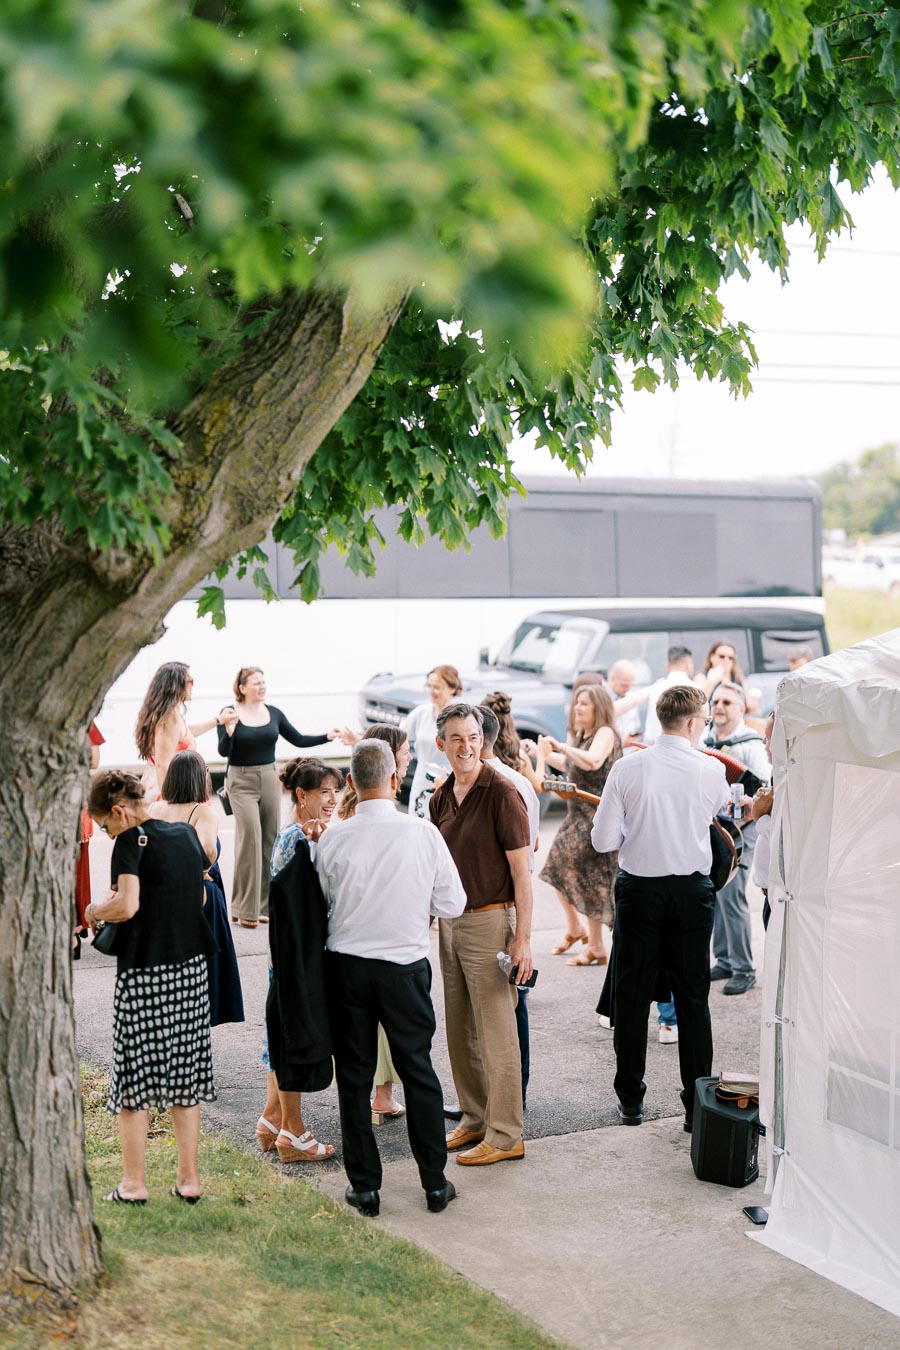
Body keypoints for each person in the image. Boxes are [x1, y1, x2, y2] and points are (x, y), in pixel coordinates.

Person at [317, 739, 467, 1216]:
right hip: (404, 968)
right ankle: (434, 1183)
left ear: (351, 785)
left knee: (355, 1079)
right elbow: (453, 904)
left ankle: (365, 1187)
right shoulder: (422, 835)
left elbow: (321, 905)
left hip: (349, 968)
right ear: (394, 779)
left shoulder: (334, 838)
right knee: (418, 1072)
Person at [591, 685, 729, 1131]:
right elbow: (717, 818)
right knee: (693, 999)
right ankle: (696, 1106)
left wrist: (638, 827)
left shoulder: (628, 768)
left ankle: (630, 1100)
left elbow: (603, 841)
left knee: (631, 997)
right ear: (691, 723)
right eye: (705, 722)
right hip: (692, 894)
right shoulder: (711, 771)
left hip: (640, 892)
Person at [85, 770, 219, 1203]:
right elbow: (199, 896)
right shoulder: (184, 835)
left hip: (144, 973)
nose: (107, 833)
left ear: (120, 812)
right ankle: (188, 1180)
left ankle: (133, 1184)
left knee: (134, 1081)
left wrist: (93, 909)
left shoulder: (129, 843)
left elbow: (127, 904)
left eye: (105, 825)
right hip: (191, 971)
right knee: (185, 1077)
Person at [430, 702, 532, 1166]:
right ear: (442, 744)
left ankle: (507, 1134)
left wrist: (523, 940)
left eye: (472, 737)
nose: (466, 746)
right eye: (456, 738)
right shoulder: (441, 797)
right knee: (460, 1030)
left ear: (481, 739)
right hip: (450, 924)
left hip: (491, 921)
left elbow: (523, 874)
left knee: (496, 1033)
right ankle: (474, 1118)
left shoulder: (502, 792)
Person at [258, 757, 342, 1163]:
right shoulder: (299, 838)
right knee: (291, 1038)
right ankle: (293, 1131)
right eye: (322, 791)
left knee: (279, 1036)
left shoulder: (293, 833)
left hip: (285, 956)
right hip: (297, 958)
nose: (331, 799)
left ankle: (272, 1119)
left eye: (334, 791)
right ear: (301, 794)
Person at [217, 665, 342, 927]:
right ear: (241, 688)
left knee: (270, 840)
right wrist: (228, 732)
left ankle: (265, 906)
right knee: (249, 838)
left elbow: (297, 738)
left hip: (268, 778)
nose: (262, 686)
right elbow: (223, 751)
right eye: (256, 683)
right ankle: (244, 909)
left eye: (264, 682)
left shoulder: (273, 713)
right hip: (241, 780)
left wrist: (326, 737)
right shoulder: (230, 713)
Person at [336, 722, 411, 1122]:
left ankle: (376, 1095)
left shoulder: (352, 807)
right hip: (383, 942)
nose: (410, 756)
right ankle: (381, 1095)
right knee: (384, 1026)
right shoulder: (381, 817)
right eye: (405, 751)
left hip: (355, 945)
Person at [152, 751, 244, 1028]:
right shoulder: (202, 811)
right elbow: (207, 850)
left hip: (162, 894)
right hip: (198, 895)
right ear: (199, 778)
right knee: (203, 973)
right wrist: (197, 867)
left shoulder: (156, 808)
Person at [478, 703, 539, 1108]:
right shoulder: (519, 781)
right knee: (496, 1007)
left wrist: (524, 935)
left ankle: (512, 1093)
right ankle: (495, 1094)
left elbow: (523, 857)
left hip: (506, 904)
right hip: (499, 903)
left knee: (509, 1005)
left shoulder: (506, 784)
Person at [536, 683, 621, 965]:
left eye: (584, 703)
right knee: (560, 870)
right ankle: (588, 939)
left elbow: (593, 762)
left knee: (590, 878)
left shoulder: (605, 733)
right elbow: (570, 764)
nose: (578, 708)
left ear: (599, 707)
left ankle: (593, 942)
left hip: (597, 816)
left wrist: (562, 747)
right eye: (577, 703)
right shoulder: (584, 736)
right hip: (577, 816)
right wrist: (541, 752)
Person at [705, 681, 771, 995]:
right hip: (714, 829)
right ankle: (725, 960)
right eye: (715, 701)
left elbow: (763, 788)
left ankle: (744, 968)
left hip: (743, 831)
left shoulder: (751, 745)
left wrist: (748, 811)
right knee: (716, 891)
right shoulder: (704, 741)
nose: (719, 706)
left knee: (732, 897)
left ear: (742, 709)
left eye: (727, 702)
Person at [135, 661, 234, 803]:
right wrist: (168, 802)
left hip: (174, 787)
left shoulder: (171, 715)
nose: (193, 685)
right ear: (176, 685)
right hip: (171, 791)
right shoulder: (168, 720)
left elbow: (185, 733)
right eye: (190, 681)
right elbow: (163, 765)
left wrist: (218, 720)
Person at [402, 663, 463, 816]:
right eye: (429, 686)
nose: (431, 691)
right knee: (418, 817)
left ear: (451, 688)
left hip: (449, 776)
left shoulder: (460, 715)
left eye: (437, 687)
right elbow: (398, 734)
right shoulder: (421, 712)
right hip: (422, 775)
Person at [641, 646, 697, 746]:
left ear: (667, 665)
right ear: (688, 664)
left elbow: (650, 733)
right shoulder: (696, 690)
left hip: (655, 750)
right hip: (688, 752)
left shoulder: (656, 689)